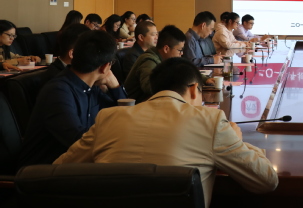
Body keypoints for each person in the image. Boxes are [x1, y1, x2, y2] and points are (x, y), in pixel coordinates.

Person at [55, 58, 279, 207]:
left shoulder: (108, 117)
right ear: (194, 89)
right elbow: (266, 180)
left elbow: (59, 170)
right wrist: (238, 141)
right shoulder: (210, 121)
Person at [18, 31, 126, 167]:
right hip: (41, 171)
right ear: (105, 67)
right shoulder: (57, 91)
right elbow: (78, 142)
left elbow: (123, 116)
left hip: (73, 164)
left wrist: (115, 87)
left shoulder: (92, 86)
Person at [124, 25, 210, 103]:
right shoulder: (148, 60)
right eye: (180, 50)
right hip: (137, 105)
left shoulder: (167, 59)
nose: (182, 53)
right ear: (166, 49)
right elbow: (150, 88)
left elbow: (184, 70)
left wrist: (205, 79)